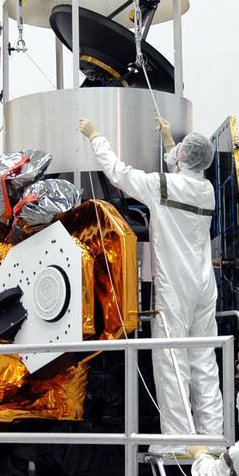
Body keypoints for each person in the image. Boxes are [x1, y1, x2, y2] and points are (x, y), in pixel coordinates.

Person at [77, 115, 222, 448]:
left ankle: (179, 440)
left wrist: (96, 136)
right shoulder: (207, 190)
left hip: (176, 285)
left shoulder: (164, 186)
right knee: (204, 361)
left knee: (172, 360)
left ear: (184, 158)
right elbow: (182, 175)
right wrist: (171, 143)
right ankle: (212, 438)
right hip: (203, 285)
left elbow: (120, 174)